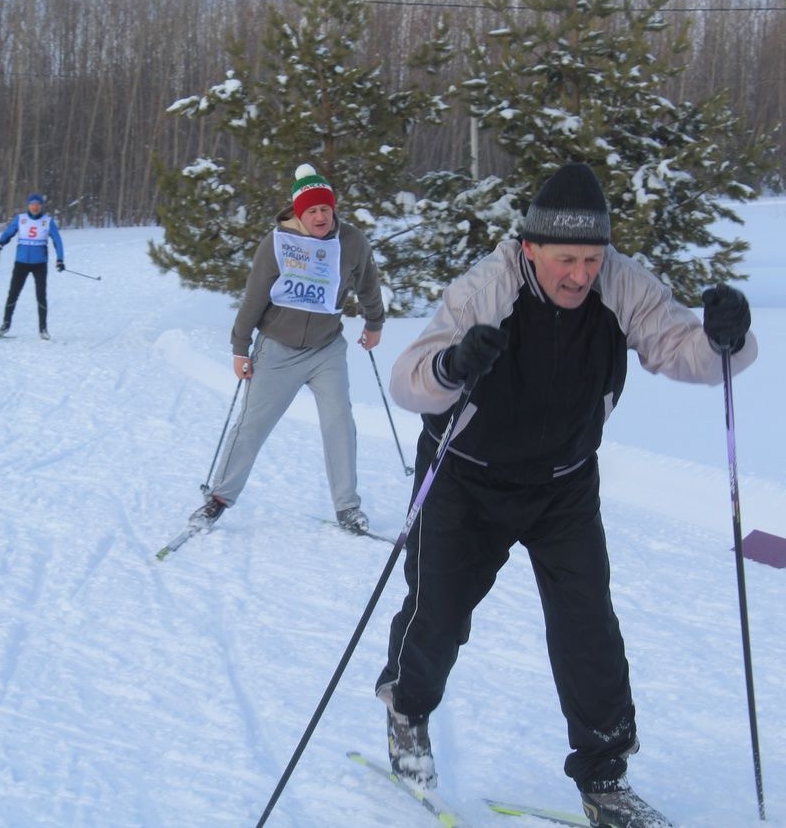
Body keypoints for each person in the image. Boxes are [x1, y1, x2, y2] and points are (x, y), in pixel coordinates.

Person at [373, 162, 757, 826]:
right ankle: (408, 711)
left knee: (588, 629)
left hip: (563, 482)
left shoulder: (621, 283)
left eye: (592, 256)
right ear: (530, 249)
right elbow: (410, 380)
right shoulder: (488, 287)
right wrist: (453, 364)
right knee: (437, 614)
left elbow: (681, 350)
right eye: (565, 259)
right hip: (466, 475)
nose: (580, 273)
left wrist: (726, 338)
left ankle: (605, 779)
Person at [188, 164, 385, 536]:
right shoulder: (277, 243)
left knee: (339, 421)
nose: (320, 216)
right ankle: (218, 498)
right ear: (299, 213)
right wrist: (240, 347)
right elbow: (254, 297)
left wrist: (374, 323)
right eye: (311, 210)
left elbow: (368, 283)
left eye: (325, 208)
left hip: (326, 349)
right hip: (277, 349)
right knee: (252, 425)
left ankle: (348, 507)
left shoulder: (353, 241)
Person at [0, 192, 64, 340]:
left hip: (40, 264)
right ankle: (5, 325)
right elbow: (9, 232)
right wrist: (2, 241)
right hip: (21, 263)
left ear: (41, 206)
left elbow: (57, 240)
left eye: (38, 204)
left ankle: (43, 329)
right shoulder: (21, 219)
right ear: (28, 205)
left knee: (41, 296)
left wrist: (60, 259)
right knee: (13, 293)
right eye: (32, 204)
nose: (35, 207)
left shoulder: (48, 221)